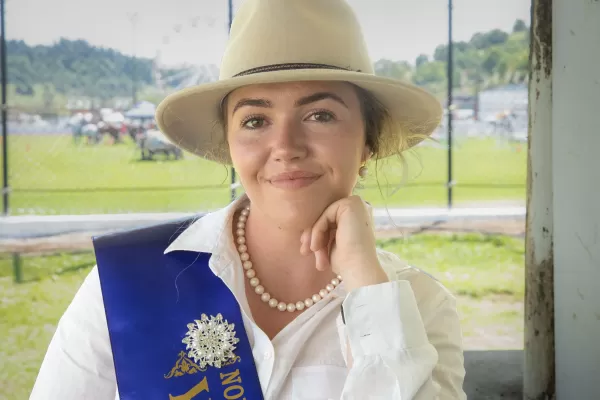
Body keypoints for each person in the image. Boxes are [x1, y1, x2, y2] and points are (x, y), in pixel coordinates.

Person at [31, 0, 466, 398]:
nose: (286, 146)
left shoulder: (419, 303)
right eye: (255, 120)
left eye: (320, 115)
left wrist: (365, 283)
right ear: (230, 144)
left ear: (368, 143)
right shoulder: (127, 281)